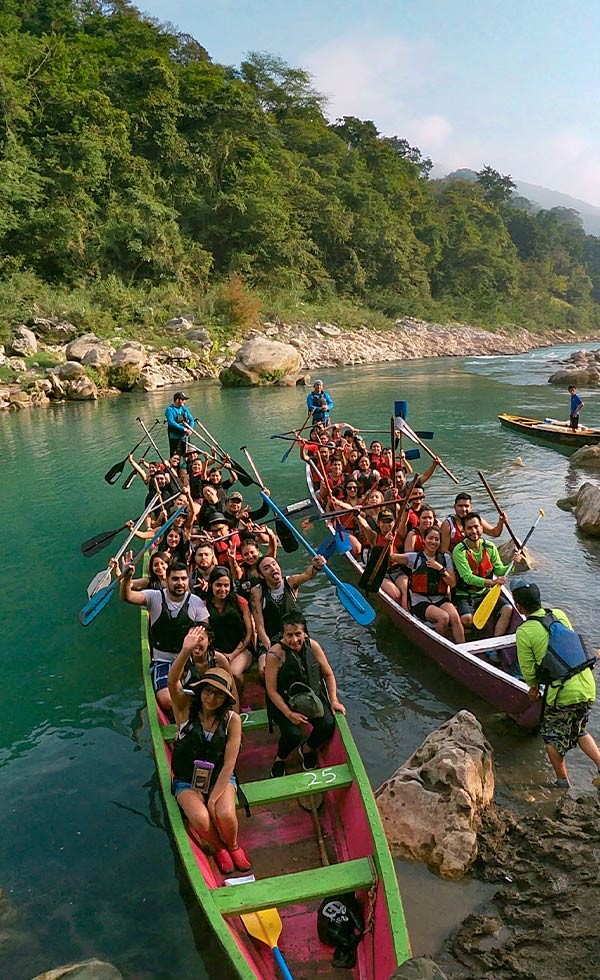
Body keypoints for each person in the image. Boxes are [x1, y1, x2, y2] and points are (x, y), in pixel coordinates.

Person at [512, 581, 600, 789]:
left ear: (519, 607)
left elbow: (528, 669)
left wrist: (533, 689)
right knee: (578, 729)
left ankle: (562, 783)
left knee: (552, 738)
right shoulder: (559, 614)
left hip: (563, 693)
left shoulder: (524, 631)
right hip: (586, 684)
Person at [168, 661, 250, 873]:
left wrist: (213, 798)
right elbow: (172, 681)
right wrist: (186, 651)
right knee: (200, 818)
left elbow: (230, 763)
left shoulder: (232, 720)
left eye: (218, 694)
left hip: (219, 776)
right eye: (208, 691)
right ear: (201, 690)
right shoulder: (185, 709)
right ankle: (219, 847)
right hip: (187, 778)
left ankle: (233, 846)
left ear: (226, 699)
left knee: (225, 814)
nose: (211, 698)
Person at [265, 612, 346, 778]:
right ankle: (280, 757)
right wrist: (289, 714)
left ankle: (307, 749)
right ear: (283, 635)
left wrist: (334, 700)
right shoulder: (274, 655)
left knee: (327, 725)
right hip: (284, 701)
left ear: (305, 633)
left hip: (310, 697)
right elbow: (271, 690)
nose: (294, 640)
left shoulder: (313, 646)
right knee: (293, 735)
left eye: (298, 634)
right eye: (289, 635)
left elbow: (328, 675)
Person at [120, 561, 209, 710]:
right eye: (175, 579)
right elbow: (127, 597)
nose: (180, 583)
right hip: (163, 661)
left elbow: (205, 634)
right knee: (167, 701)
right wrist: (127, 578)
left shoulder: (196, 602)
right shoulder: (154, 597)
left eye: (183, 579)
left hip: (189, 659)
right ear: (167, 580)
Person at [249, 554, 326, 678]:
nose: (273, 568)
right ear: (261, 575)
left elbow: (307, 575)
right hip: (271, 638)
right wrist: (271, 651)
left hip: (296, 635)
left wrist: (316, 567)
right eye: (267, 568)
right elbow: (260, 626)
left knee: (312, 666)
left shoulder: (290, 582)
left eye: (274, 564)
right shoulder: (257, 592)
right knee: (264, 670)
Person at [391, 527, 465, 643]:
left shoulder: (445, 558)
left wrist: (440, 569)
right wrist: (390, 541)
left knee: (455, 618)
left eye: (437, 539)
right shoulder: (414, 557)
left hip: (440, 598)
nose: (433, 542)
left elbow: (452, 583)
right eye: (430, 538)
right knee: (443, 617)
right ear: (424, 540)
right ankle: (439, 647)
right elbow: (391, 557)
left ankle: (463, 648)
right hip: (420, 600)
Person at [452, 514, 520, 636]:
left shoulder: (489, 546)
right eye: (469, 528)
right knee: (467, 620)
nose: (474, 531)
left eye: (476, 527)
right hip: (465, 595)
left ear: (481, 528)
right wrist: (492, 582)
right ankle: (474, 634)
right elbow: (467, 577)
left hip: (485, 593)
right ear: (464, 530)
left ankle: (495, 644)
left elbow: (499, 571)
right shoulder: (459, 550)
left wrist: (513, 563)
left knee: (507, 609)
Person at [205, 567, 254, 702]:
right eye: (218, 585)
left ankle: (239, 701)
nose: (223, 589)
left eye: (226, 585)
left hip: (241, 650)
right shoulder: (205, 605)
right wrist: (218, 655)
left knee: (234, 673)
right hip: (216, 652)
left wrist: (232, 654)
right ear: (211, 585)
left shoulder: (240, 602)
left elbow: (248, 632)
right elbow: (205, 635)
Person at [440, 492, 505, 553]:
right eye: (460, 506)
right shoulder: (448, 524)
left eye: (466, 506)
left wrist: (501, 522)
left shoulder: (476, 520)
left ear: (471, 507)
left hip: (475, 557)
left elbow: (495, 533)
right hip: (456, 559)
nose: (463, 509)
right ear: (454, 507)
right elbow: (444, 550)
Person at [165, 391, 194, 456]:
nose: (185, 402)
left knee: (187, 454)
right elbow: (171, 422)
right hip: (175, 436)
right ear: (177, 400)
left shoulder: (184, 408)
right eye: (183, 400)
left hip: (185, 436)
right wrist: (184, 429)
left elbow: (191, 419)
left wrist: (190, 429)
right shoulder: (169, 410)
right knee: (175, 455)